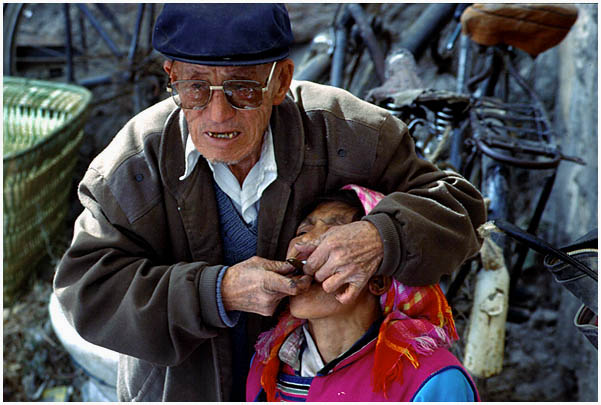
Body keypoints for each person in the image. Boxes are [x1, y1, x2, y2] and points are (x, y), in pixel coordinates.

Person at [53, 4, 486, 401]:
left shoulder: (350, 134)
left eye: (243, 89)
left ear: (280, 82)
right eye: (195, 88)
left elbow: (460, 207)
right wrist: (216, 291)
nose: (218, 114)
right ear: (172, 77)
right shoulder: (134, 163)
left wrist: (379, 236)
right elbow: (86, 291)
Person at [246, 185, 479, 401]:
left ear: (377, 281)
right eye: (302, 230)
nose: (304, 241)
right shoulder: (267, 366)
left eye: (333, 233)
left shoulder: (430, 380)